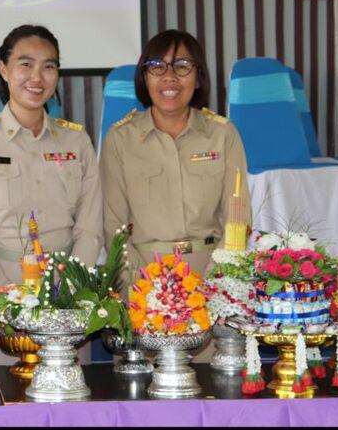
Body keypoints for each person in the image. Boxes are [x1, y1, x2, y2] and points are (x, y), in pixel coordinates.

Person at [0, 24, 104, 317]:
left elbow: (90, 229)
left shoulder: (76, 140)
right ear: (4, 70)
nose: (37, 77)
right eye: (26, 65)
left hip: (65, 295)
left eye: (48, 67)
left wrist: (69, 294)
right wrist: (7, 299)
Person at [100, 30, 250, 277]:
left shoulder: (223, 135)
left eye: (182, 66)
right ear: (144, 77)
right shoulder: (120, 140)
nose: (169, 77)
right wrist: (143, 287)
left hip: (213, 272)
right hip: (143, 276)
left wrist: (216, 283)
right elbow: (113, 227)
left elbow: (238, 219)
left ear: (198, 78)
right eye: (157, 67)